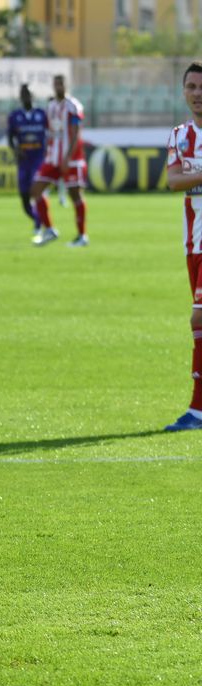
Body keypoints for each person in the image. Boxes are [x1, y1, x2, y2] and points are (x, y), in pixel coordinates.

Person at [162, 61, 202, 431]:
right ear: (183, 92)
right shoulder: (180, 135)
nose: (197, 94)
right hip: (194, 242)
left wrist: (194, 175)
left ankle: (197, 409)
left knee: (199, 318)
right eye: (191, 87)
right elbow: (174, 181)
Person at [30, 74, 88, 247]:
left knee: (75, 195)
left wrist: (68, 156)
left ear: (66, 85)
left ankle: (82, 236)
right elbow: (51, 132)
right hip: (52, 157)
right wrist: (48, 152)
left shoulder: (73, 106)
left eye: (61, 84)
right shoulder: (51, 106)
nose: (58, 87)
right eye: (56, 84)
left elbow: (76, 132)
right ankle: (49, 230)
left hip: (70, 158)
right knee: (36, 190)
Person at [7, 84, 47, 235]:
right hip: (23, 160)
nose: (26, 97)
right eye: (23, 94)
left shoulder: (42, 114)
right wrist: (16, 150)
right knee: (24, 199)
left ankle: (41, 224)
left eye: (28, 94)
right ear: (20, 97)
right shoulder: (14, 116)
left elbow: (51, 134)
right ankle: (39, 220)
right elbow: (10, 137)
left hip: (38, 158)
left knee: (35, 190)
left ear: (33, 96)